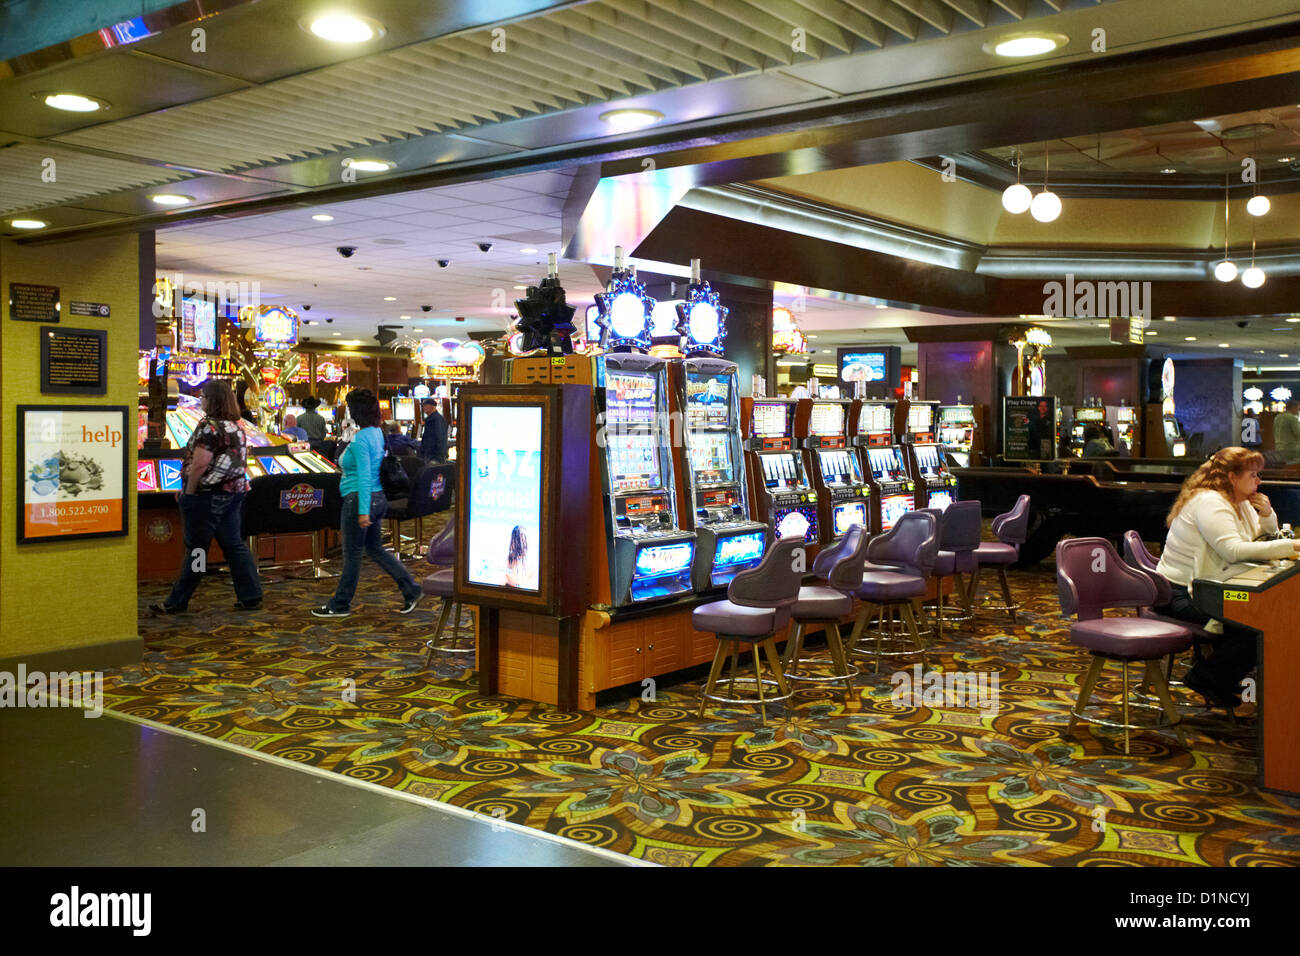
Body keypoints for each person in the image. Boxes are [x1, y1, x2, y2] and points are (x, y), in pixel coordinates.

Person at [1153, 447, 1300, 707]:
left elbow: (1259, 541)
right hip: (1180, 594)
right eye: (1253, 475)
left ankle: (1221, 675)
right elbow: (1233, 552)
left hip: (1210, 586)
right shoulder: (1209, 502)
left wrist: (1267, 514)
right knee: (1258, 626)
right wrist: (1292, 547)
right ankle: (1207, 677)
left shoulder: (1238, 501)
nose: (1259, 481)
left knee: (1268, 617)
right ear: (1232, 477)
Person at [150, 379, 263, 614]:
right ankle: (251, 594)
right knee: (234, 546)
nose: (200, 400)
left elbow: (200, 464)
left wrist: (188, 492)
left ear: (213, 400)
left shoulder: (209, 427)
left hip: (207, 496)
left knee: (197, 549)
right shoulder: (237, 425)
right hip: (234, 494)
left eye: (203, 396)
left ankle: (179, 599)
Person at [312, 388, 422, 618]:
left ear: (356, 411)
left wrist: (363, 512)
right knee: (375, 549)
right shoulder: (376, 432)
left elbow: (362, 474)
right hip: (378, 498)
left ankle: (340, 604)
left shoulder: (361, 439)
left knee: (351, 555)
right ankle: (411, 589)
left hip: (359, 500)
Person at [419, 397, 448, 462]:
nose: (423, 408)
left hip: (435, 456)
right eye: (423, 406)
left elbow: (439, 438)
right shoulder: (429, 419)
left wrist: (439, 455)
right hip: (429, 454)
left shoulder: (437, 419)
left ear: (432, 407)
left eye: (425, 406)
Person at [1274, 399, 1300, 464]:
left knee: (1285, 466)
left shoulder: (1277, 417)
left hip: (1278, 448)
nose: (1298, 411)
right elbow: (1298, 433)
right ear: (1293, 408)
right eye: (1298, 409)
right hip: (1292, 449)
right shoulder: (1292, 418)